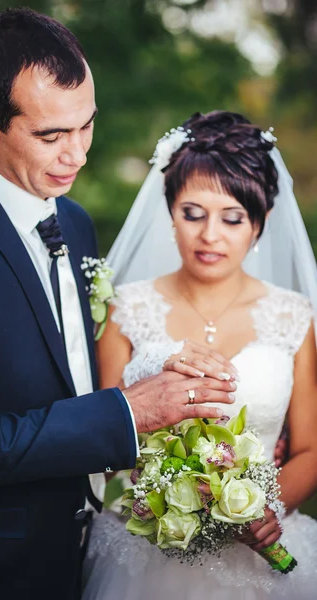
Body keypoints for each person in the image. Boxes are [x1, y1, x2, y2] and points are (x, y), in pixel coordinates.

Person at [0, 9, 238, 600]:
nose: (78, 154)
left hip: (87, 553)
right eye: (51, 135)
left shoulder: (75, 222)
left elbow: (64, 370)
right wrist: (125, 415)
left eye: (86, 126)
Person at [82, 111, 317, 599]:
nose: (211, 234)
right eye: (193, 213)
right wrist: (162, 500)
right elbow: (102, 445)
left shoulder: (294, 315)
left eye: (232, 218)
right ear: (170, 212)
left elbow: (310, 450)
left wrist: (266, 510)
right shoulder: (125, 309)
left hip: (262, 555)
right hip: (144, 554)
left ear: (261, 222)